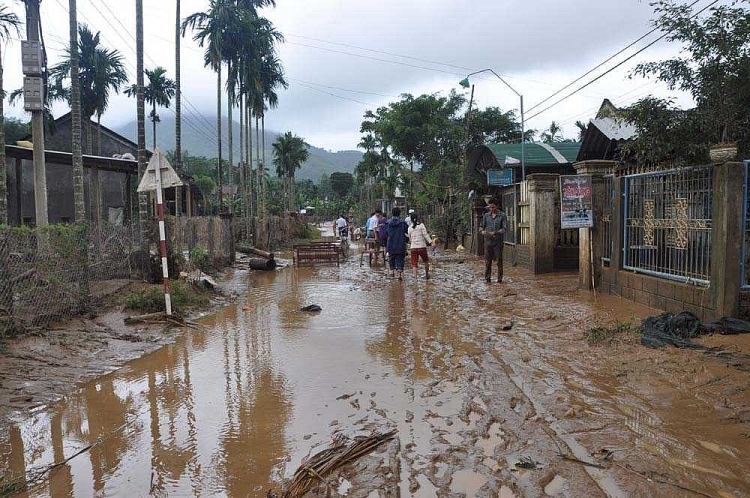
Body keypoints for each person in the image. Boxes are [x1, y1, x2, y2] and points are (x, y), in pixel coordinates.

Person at [480, 198, 507, 283]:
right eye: (490, 207)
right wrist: (482, 231)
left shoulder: (502, 215)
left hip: (498, 242)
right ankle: (487, 279)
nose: (491, 209)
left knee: (499, 261)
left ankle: (499, 279)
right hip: (487, 242)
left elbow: (504, 229)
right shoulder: (486, 216)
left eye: (493, 207)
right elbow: (481, 227)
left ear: (497, 206)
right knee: (488, 262)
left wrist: (495, 232)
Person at [407, 212, 433, 280]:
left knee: (414, 265)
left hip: (413, 248)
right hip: (422, 247)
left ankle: (415, 279)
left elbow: (410, 240)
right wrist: (431, 242)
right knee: (426, 261)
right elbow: (425, 235)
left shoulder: (409, 228)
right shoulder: (421, 225)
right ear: (417, 218)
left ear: (411, 219)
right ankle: (427, 275)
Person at [385, 207, 409, 280]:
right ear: (399, 213)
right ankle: (399, 273)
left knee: (391, 257)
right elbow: (406, 231)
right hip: (400, 243)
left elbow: (387, 233)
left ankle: (392, 271)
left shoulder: (388, 223)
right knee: (400, 258)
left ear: (392, 213)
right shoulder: (403, 223)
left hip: (391, 243)